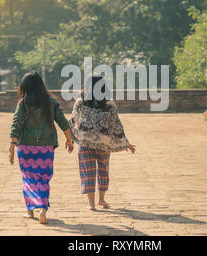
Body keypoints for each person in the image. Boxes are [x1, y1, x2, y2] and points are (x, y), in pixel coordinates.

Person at [9, 71, 74, 224]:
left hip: (25, 148)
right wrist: (69, 140)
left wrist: (12, 146)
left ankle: (30, 212)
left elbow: (16, 125)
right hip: (45, 148)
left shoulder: (23, 103)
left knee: (28, 179)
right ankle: (43, 210)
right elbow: (63, 122)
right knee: (43, 179)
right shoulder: (51, 102)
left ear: (25, 87)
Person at [69, 74, 136, 210]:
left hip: (85, 142)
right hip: (104, 143)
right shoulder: (109, 103)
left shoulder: (81, 101)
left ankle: (91, 204)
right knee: (103, 170)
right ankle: (102, 199)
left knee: (88, 171)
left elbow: (73, 121)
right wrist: (125, 142)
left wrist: (69, 139)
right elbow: (115, 124)